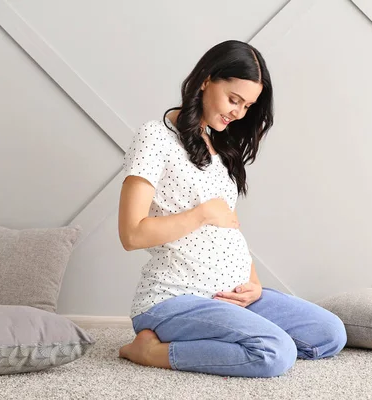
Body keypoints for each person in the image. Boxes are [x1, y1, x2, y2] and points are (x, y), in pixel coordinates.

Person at [117, 40, 346, 378]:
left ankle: (235, 336)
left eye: (247, 105)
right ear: (206, 80)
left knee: (330, 334)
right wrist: (202, 213)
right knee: (274, 352)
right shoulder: (155, 137)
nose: (238, 112)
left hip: (232, 294)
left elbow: (229, 231)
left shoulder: (221, 148)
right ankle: (150, 352)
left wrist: (253, 283)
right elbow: (132, 233)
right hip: (174, 297)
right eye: (234, 99)